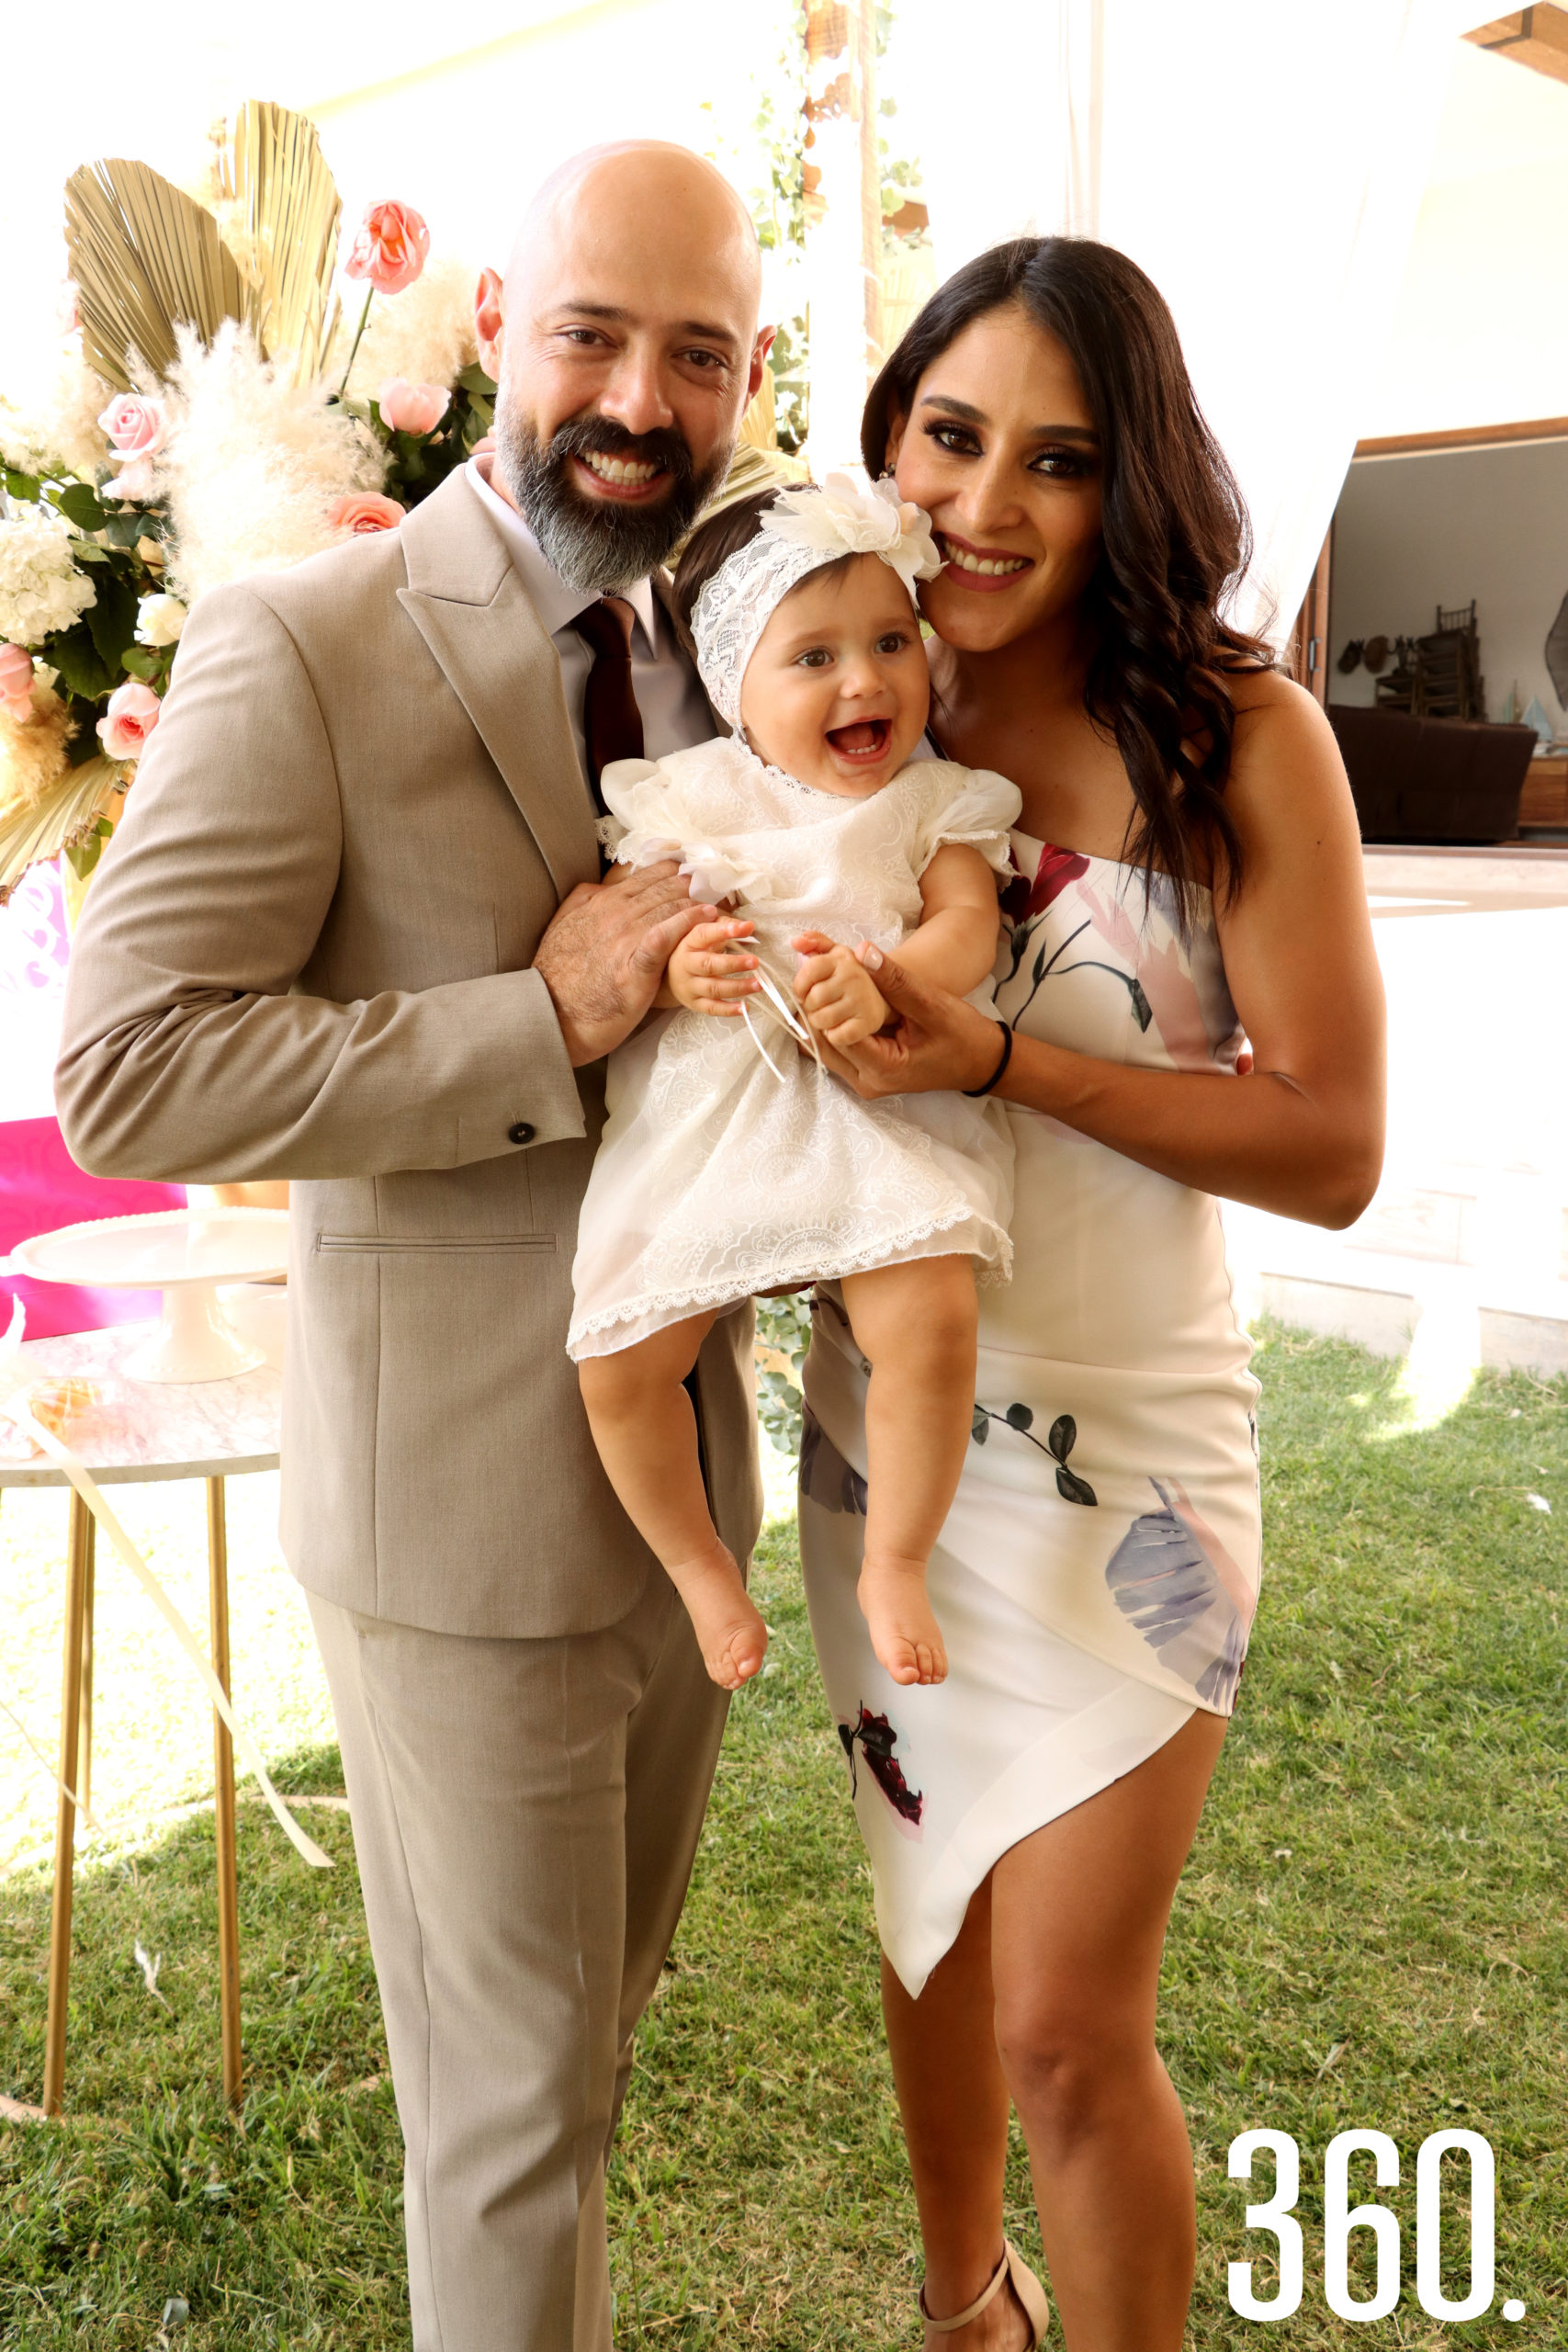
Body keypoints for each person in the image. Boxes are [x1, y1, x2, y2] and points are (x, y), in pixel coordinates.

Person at [54, 142, 773, 2352]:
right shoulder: (306, 635)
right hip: (462, 1521)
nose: (639, 398)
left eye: (698, 354)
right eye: (591, 333)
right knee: (510, 2124)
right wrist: (534, 1017)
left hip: (689, 1502)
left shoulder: (720, 659)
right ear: (493, 334)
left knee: (575, 2083)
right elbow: (132, 1069)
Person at [795, 237, 1386, 2352]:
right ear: (885, 432)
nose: (978, 503)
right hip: (886, 1435)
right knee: (928, 1910)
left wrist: (1001, 1058)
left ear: (1125, 484)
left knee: (1063, 2019)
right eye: (946, 435)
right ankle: (966, 2310)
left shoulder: (1238, 734)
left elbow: (1330, 1143)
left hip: (1131, 1442)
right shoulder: (848, 691)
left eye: (1051, 459)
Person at [570, 478, 1020, 1691]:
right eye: (812, 658)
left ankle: (897, 1559)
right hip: (711, 1118)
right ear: (737, 692)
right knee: (620, 1363)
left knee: (928, 1316)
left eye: (889, 643)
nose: (865, 683)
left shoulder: (937, 799)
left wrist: (893, 977)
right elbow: (636, 932)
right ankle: (699, 1564)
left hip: (869, 1101)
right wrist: (677, 967)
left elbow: (969, 929)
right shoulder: (694, 796)